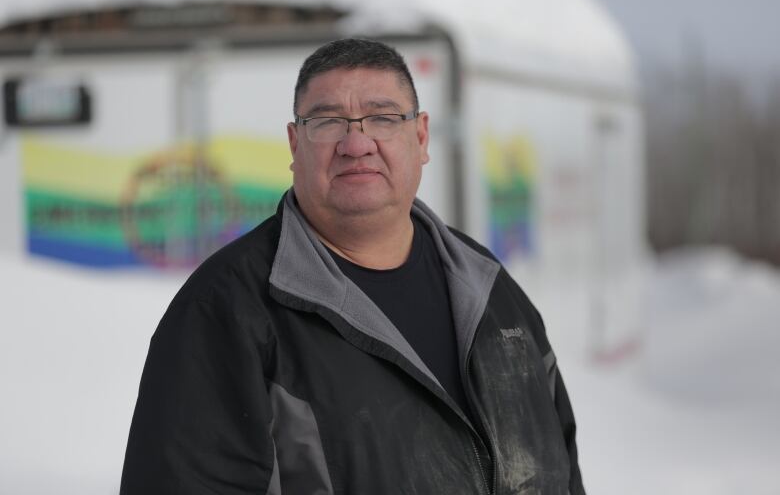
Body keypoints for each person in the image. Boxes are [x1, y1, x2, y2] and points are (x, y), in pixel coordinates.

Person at [120, 38, 585, 495]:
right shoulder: (225, 311)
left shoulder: (489, 289)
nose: (356, 143)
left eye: (382, 118)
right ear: (294, 142)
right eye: (327, 122)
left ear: (420, 136)